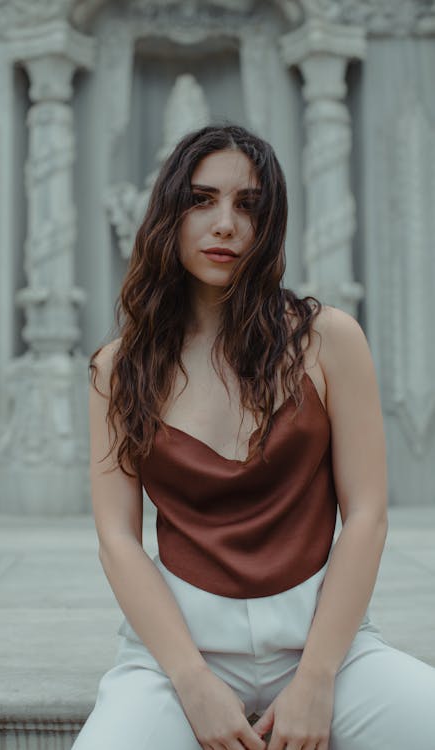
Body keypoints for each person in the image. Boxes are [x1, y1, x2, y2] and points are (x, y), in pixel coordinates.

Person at [72, 124, 435, 750]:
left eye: (248, 205)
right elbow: (117, 540)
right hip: (178, 657)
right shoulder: (117, 367)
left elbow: (369, 515)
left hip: (327, 649)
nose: (226, 224)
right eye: (201, 199)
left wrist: (319, 676)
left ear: (271, 223)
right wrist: (190, 680)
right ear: (168, 214)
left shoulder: (330, 339)